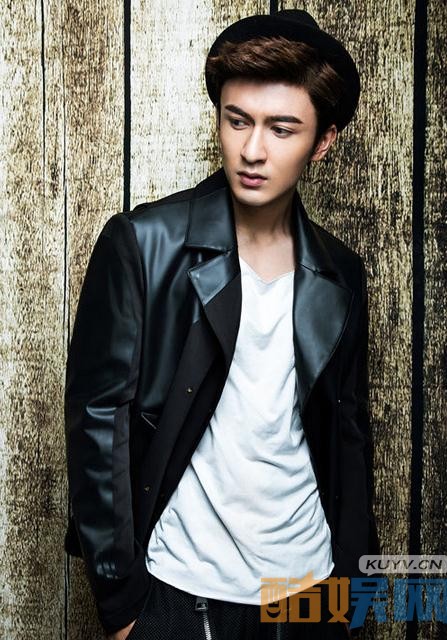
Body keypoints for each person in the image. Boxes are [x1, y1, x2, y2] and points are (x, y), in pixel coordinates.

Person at [64, 9, 379, 640]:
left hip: (312, 590)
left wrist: (355, 591)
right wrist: (122, 604)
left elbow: (348, 437)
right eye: (238, 121)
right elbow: (98, 421)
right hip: (182, 593)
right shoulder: (143, 245)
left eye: (281, 129)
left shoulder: (339, 273)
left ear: (323, 142)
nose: (252, 150)